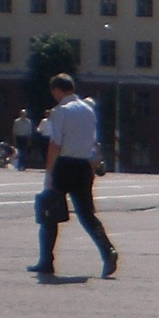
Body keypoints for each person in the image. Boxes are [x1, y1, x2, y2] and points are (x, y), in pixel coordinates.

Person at [28, 74, 117, 279]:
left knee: (50, 214)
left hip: (64, 165)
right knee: (86, 214)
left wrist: (49, 172)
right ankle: (108, 251)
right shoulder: (88, 110)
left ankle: (46, 261)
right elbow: (93, 142)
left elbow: (55, 144)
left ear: (56, 91)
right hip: (83, 166)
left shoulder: (61, 111)